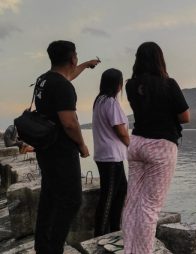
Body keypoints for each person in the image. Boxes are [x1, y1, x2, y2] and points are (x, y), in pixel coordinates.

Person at [122, 41, 190, 253]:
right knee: (150, 207)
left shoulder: (130, 85)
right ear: (160, 59)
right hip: (160, 147)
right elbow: (185, 117)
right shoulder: (168, 84)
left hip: (136, 144)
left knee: (132, 203)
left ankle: (129, 250)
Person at [33, 40, 100, 254]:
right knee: (71, 200)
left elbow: (68, 75)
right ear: (72, 58)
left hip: (45, 148)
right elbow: (70, 123)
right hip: (61, 151)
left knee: (50, 196)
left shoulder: (43, 79)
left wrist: (87, 65)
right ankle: (54, 249)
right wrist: (82, 145)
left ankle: (43, 246)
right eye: (77, 56)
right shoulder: (63, 87)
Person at [92, 68, 129, 236]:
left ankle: (114, 230)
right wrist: (132, 145)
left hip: (105, 154)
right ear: (118, 85)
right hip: (111, 156)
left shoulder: (99, 100)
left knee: (121, 191)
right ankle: (99, 236)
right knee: (109, 196)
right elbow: (120, 130)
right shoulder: (111, 102)